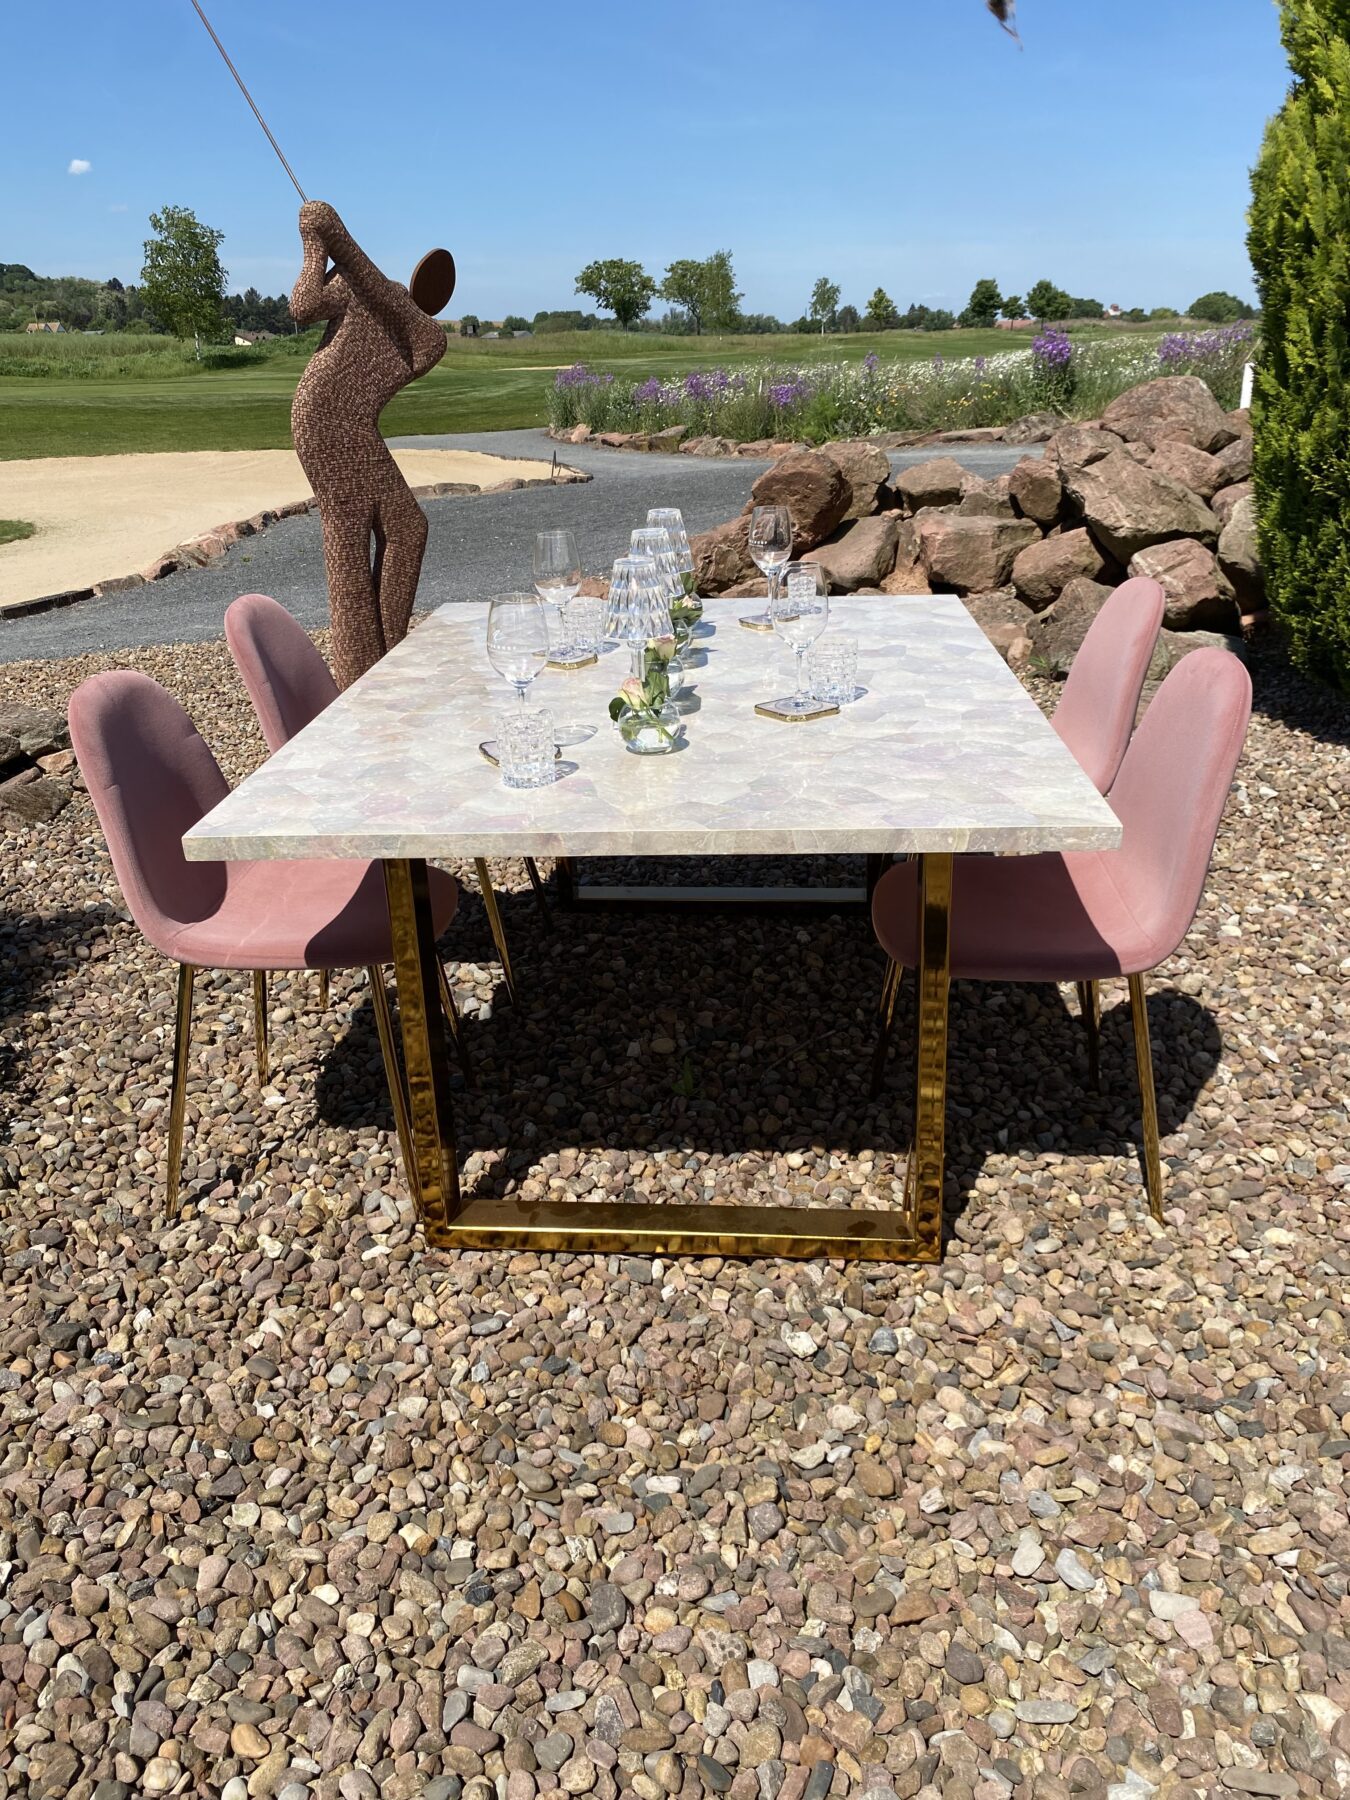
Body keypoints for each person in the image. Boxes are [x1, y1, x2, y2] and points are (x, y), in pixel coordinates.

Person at [289, 201, 454, 688]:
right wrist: (315, 246)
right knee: (349, 532)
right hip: (325, 419)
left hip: (351, 425)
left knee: (407, 528)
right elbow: (302, 307)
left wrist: (334, 236)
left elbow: (386, 297)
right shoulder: (358, 285)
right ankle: (361, 677)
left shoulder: (425, 335)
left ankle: (383, 658)